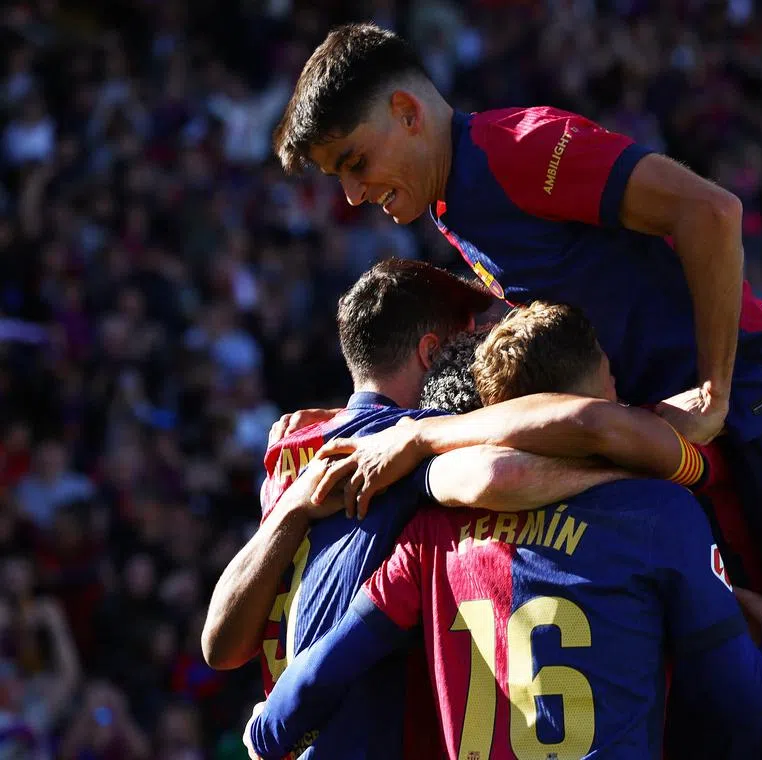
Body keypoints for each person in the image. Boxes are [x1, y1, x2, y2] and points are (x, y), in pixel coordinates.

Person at [271, 24, 762, 759]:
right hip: (728, 440)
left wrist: (714, 389)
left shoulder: (514, 148)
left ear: (407, 111)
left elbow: (711, 210)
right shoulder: (454, 209)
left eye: (355, 161)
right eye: (338, 175)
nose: (352, 193)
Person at [243, 326, 762, 760]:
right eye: (611, 379)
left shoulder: (430, 534)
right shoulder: (657, 513)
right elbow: (742, 702)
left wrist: (264, 731)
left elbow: (321, 671)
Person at [202, 259, 628, 759]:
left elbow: (219, 648)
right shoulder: (415, 454)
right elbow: (528, 456)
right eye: (466, 343)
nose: (477, 364)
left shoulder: (294, 456)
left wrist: (294, 503)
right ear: (431, 353)